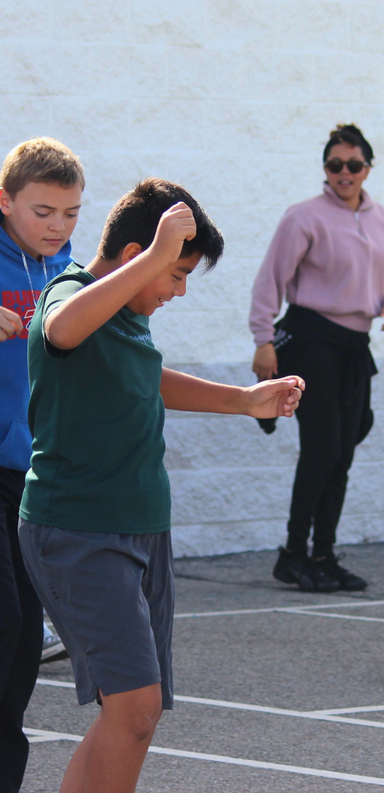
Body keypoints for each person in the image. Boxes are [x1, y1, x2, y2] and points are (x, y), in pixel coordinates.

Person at [18, 178, 304, 793]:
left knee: (133, 714)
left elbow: (149, 379)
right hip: (77, 530)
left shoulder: (126, 317)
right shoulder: (69, 292)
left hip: (141, 527)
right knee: (135, 706)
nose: (176, 291)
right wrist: (154, 256)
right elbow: (61, 330)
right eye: (175, 275)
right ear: (132, 257)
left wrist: (247, 402)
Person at [250, 124, 384, 594]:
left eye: (354, 165)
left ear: (367, 169)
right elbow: (270, 279)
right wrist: (262, 339)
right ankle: (293, 554)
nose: (345, 173)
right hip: (311, 337)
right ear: (326, 168)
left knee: (342, 449)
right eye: (335, 165)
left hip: (354, 345)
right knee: (321, 448)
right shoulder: (303, 217)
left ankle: (323, 553)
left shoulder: (382, 218)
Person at [0, 137, 84, 793]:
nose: (57, 225)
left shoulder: (67, 272)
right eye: (42, 211)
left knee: (26, 638)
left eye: (71, 212)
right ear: (4, 201)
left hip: (31, 477)